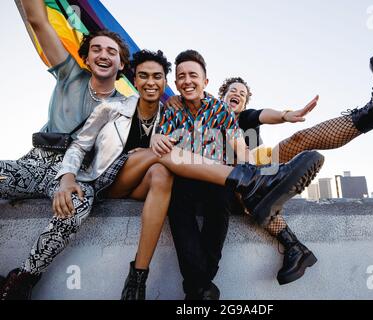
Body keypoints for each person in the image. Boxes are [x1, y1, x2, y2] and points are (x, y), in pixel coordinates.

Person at [165, 51, 373, 286]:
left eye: (243, 94)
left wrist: (284, 115)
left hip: (256, 176)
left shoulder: (245, 119)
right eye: (232, 91)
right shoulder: (199, 112)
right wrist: (175, 99)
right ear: (218, 94)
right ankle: (293, 245)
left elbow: (264, 114)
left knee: (296, 141)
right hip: (221, 190)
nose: (237, 94)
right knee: (250, 188)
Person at [147, 49, 324, 300]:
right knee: (176, 204)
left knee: (222, 200)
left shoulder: (221, 110)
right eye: (182, 76)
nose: (187, 80)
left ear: (205, 81)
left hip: (218, 178)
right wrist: (159, 137)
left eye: (193, 75)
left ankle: (198, 287)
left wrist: (253, 171)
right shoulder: (172, 109)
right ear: (175, 83)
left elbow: (240, 144)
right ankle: (202, 284)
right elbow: (163, 141)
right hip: (184, 178)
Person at [0, 0, 130, 299]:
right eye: (97, 48)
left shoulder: (124, 112)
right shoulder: (69, 72)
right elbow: (38, 20)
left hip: (76, 177)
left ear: (121, 64)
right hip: (35, 164)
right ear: (85, 57)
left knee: (77, 206)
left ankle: (23, 279)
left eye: (112, 51)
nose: (104, 55)